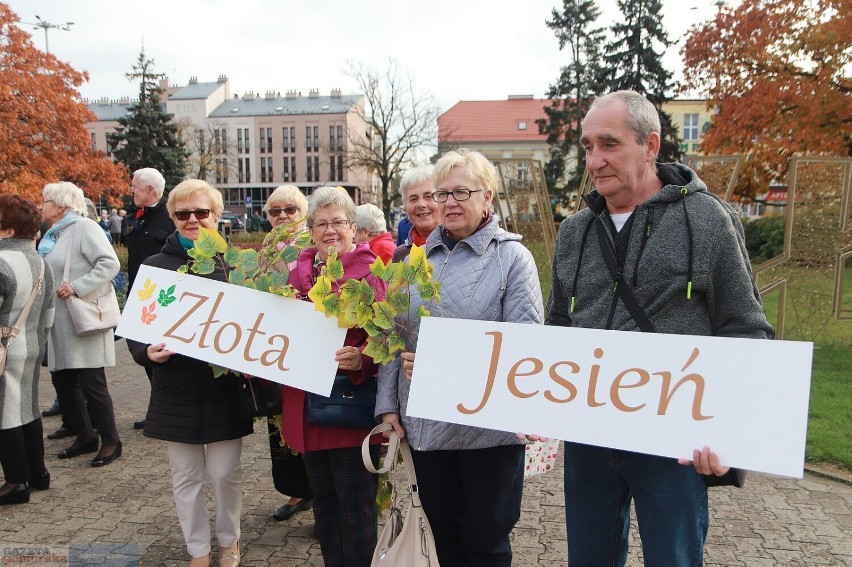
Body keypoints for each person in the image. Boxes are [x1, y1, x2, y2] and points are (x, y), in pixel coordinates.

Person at [545, 90, 774, 566]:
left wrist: (730, 433)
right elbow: (558, 327)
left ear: (650, 145)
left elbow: (746, 329)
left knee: (674, 559)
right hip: (589, 435)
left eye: (609, 144)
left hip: (672, 442)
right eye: (587, 146)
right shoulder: (575, 232)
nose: (595, 159)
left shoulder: (706, 220)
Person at [376, 149, 544, 566]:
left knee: (486, 542)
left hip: (488, 429)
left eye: (461, 192)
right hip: (428, 427)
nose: (448, 202)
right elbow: (393, 334)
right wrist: (388, 405)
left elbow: (525, 347)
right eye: (442, 193)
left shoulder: (512, 259)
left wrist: (445, 365)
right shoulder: (411, 261)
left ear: (487, 197)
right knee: (441, 538)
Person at [127, 179, 251, 567]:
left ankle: (229, 542)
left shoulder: (235, 267)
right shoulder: (154, 267)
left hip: (224, 389)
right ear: (173, 218)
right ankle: (197, 550)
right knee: (185, 477)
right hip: (175, 389)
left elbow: (258, 326)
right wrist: (147, 352)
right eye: (183, 213)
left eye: (201, 212)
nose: (192, 219)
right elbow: (133, 329)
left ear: (217, 216)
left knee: (225, 473)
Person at [282, 185, 388, 566]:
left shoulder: (370, 271)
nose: (330, 230)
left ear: (354, 229)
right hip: (308, 410)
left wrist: (363, 359)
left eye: (339, 222)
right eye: (321, 223)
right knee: (324, 510)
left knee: (356, 512)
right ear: (310, 230)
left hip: (348, 412)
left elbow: (389, 334)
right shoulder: (297, 271)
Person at [38, 182, 122, 468]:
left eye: (46, 200)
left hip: (82, 316)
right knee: (62, 380)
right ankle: (85, 436)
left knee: (92, 383)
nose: (41, 205)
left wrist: (76, 286)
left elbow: (109, 263)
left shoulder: (85, 228)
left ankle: (111, 440)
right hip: (60, 320)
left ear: (61, 205)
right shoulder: (54, 234)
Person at [257, 185, 314, 522]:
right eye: (275, 211)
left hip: (306, 345)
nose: (282, 217)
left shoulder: (313, 245)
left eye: (290, 210)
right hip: (275, 347)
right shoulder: (265, 250)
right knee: (280, 424)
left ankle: (322, 500)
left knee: (310, 422)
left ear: (303, 213)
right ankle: (297, 492)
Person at [0, 195, 55, 505]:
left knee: (4, 412)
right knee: (28, 407)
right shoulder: (42, 262)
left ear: (8, 230)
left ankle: (15, 482)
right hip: (31, 344)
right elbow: (49, 312)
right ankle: (38, 473)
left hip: (4, 348)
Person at [126, 167, 175, 430]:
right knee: (146, 355)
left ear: (149, 190)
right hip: (140, 298)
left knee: (161, 357)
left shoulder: (168, 219)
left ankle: (164, 408)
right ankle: (157, 405)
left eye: (134, 186)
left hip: (162, 301)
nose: (131, 190)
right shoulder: (140, 217)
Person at [392, 165, 439, 261]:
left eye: (428, 196)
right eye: (413, 199)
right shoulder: (400, 255)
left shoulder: (457, 248)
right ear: (405, 206)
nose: (421, 204)